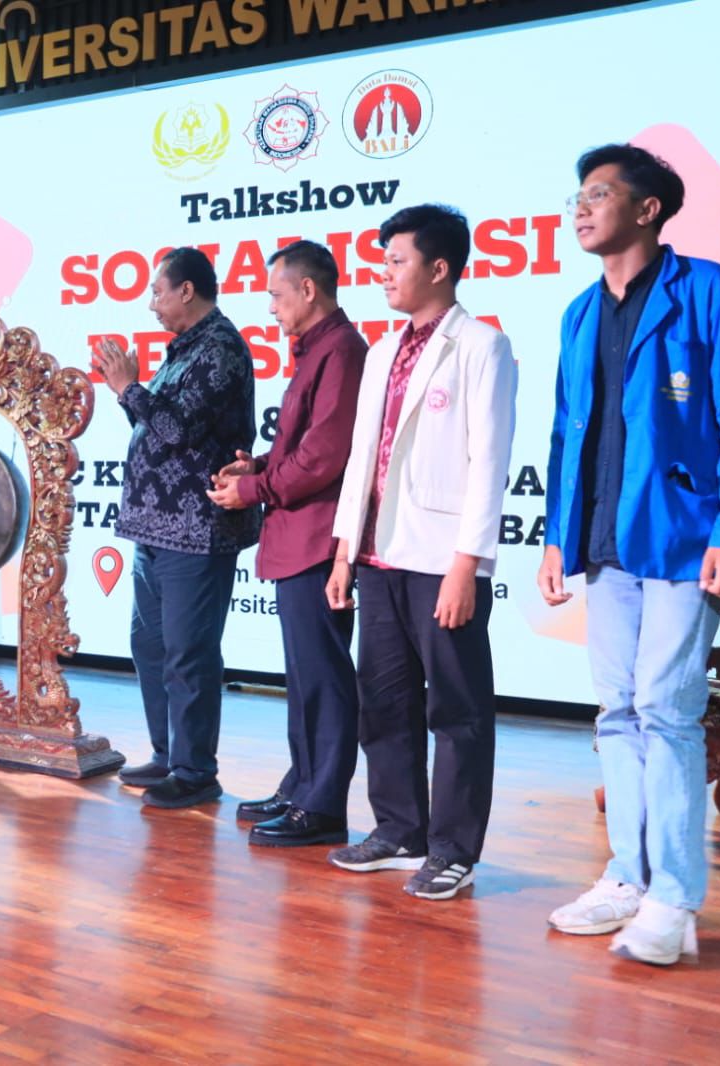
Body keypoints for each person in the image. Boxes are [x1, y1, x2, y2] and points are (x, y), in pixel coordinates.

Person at [540, 144, 720, 965]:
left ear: (646, 209)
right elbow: (565, 434)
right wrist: (556, 536)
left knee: (666, 711)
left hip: (684, 536)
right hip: (605, 542)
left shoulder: (708, 289)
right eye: (576, 196)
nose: (579, 207)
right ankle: (626, 878)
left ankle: (673, 899)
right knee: (616, 711)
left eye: (598, 193)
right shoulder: (578, 312)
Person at [324, 204, 517, 900]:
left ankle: (454, 849)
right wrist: (344, 550)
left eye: (396, 261)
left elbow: (488, 460)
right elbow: (360, 460)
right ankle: (400, 830)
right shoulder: (381, 351)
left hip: (441, 559)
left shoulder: (481, 345)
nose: (384, 274)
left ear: (439, 267)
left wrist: (468, 564)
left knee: (456, 711)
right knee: (382, 702)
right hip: (379, 555)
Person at [207, 240, 367, 846]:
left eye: (276, 294)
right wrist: (259, 466)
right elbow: (301, 446)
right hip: (297, 536)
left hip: (319, 541)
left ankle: (322, 806)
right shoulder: (317, 351)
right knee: (303, 676)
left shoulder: (342, 350)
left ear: (307, 289)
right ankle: (301, 786)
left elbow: (325, 455)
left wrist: (254, 488)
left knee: (323, 676)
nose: (270, 307)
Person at [92, 247, 260, 809]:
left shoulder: (220, 349)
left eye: (157, 292)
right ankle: (168, 755)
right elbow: (154, 427)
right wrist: (129, 392)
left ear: (187, 290)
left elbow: (179, 430)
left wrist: (128, 387)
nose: (152, 304)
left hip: (197, 528)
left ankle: (195, 772)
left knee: (189, 652)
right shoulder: (183, 350)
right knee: (151, 645)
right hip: (154, 529)